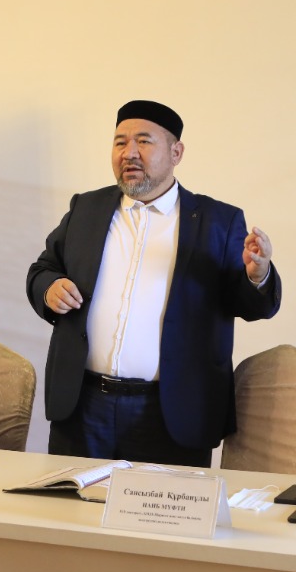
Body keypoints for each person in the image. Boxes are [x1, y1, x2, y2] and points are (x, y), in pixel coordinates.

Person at [26, 99, 281, 467]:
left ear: (176, 153)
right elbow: (43, 269)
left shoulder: (217, 221)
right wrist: (49, 288)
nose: (129, 153)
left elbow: (249, 304)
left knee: (165, 507)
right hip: (83, 407)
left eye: (143, 141)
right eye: (120, 142)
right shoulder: (87, 209)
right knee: (74, 502)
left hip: (171, 413)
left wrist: (257, 275)